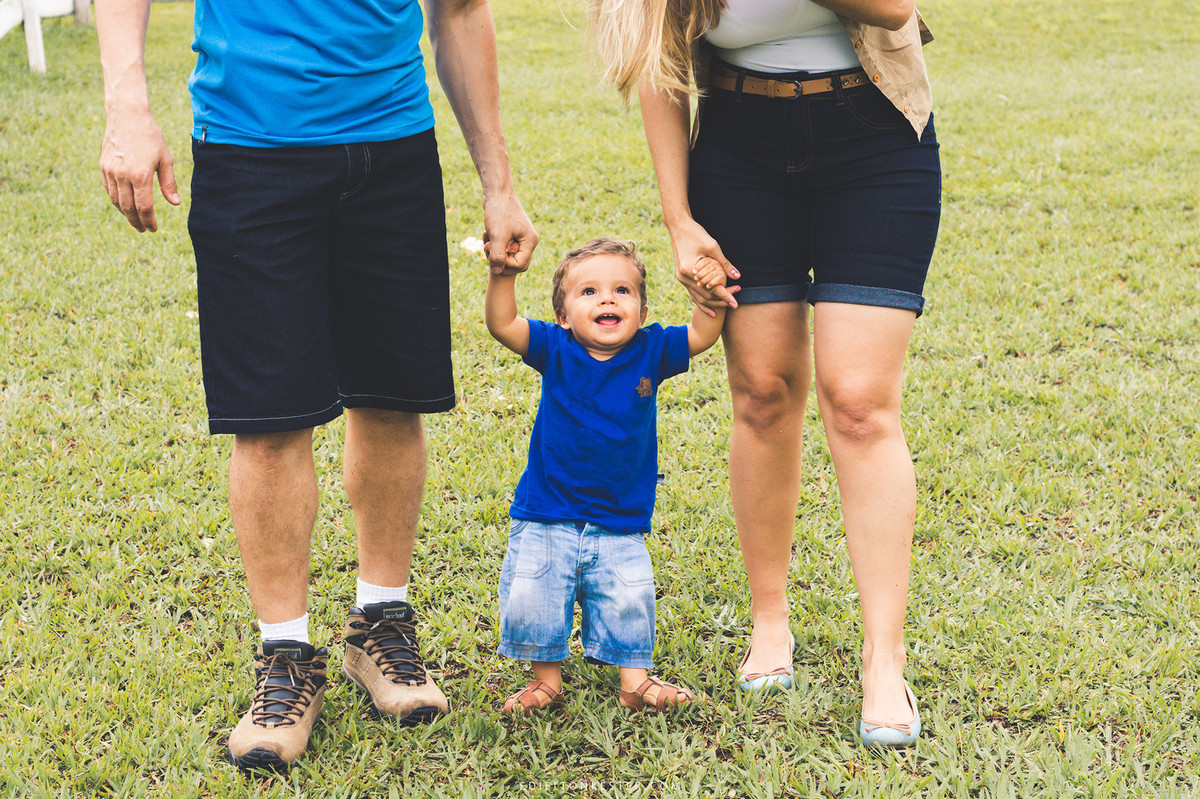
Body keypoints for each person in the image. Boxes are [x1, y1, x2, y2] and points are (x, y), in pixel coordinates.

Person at [96, 0, 538, 770]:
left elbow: (461, 12)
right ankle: (285, 656)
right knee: (269, 418)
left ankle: (379, 625)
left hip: (395, 148)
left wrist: (498, 184)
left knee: (394, 401)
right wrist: (127, 105)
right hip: (249, 149)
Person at [588, 0, 941, 746]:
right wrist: (679, 218)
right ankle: (769, 620)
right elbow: (660, 67)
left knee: (859, 400)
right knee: (763, 392)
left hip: (874, 138)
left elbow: (893, 7)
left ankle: (885, 656)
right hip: (740, 147)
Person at [484, 237, 725, 713]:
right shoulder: (554, 348)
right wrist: (503, 275)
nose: (608, 299)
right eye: (589, 292)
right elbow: (503, 324)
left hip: (619, 515)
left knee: (628, 597)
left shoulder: (651, 350)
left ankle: (634, 681)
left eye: (623, 290)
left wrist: (708, 295)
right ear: (564, 315)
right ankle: (546, 681)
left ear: (641, 308)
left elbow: (702, 334)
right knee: (537, 597)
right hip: (547, 509)